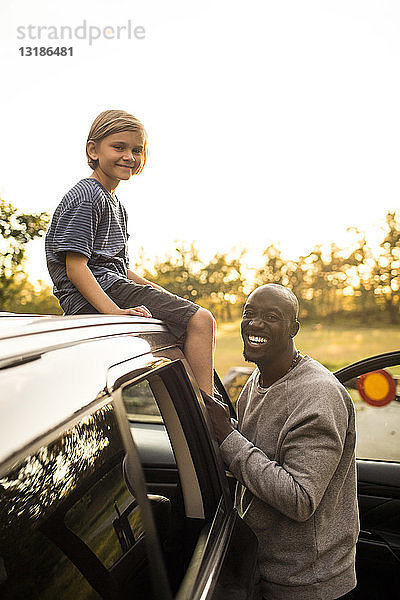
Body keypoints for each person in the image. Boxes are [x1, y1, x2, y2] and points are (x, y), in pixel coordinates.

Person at [203, 284, 359, 600]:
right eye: (250, 313)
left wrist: (228, 436)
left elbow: (300, 498)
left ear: (293, 329)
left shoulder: (317, 396)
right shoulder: (259, 379)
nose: (256, 323)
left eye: (271, 317)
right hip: (263, 568)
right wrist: (223, 430)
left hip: (308, 585)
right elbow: (256, 450)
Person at [45, 109, 215, 394]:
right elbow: (76, 267)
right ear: (93, 150)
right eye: (119, 147)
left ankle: (187, 403)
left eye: (137, 149)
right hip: (99, 294)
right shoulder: (87, 197)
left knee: (178, 331)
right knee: (201, 320)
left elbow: (118, 268)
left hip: (112, 284)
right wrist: (116, 314)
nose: (129, 156)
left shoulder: (113, 203)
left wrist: (157, 290)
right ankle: (210, 411)